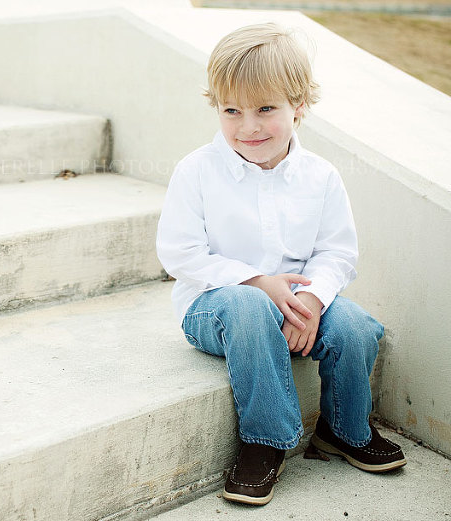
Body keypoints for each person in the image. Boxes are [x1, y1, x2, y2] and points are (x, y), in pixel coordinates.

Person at [156, 22, 406, 506]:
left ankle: (344, 430)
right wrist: (257, 281)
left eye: (266, 109)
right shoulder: (197, 171)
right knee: (250, 306)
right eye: (232, 111)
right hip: (216, 308)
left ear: (300, 106)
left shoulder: (321, 176)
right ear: (217, 108)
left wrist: (311, 300)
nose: (248, 127)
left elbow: (337, 252)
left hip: (296, 303)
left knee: (354, 325)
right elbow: (180, 253)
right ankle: (265, 441)